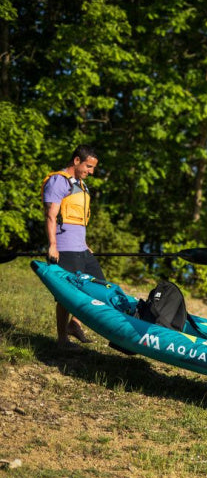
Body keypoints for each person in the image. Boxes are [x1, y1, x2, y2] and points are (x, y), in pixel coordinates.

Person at [41, 145, 105, 349]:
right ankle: (62, 340)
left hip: (81, 248)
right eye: (88, 166)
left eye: (93, 168)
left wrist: (85, 245)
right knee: (66, 294)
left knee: (98, 285)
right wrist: (52, 245)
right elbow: (51, 215)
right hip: (65, 247)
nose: (91, 172)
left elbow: (78, 220)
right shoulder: (59, 181)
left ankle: (74, 324)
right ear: (76, 161)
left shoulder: (80, 184)